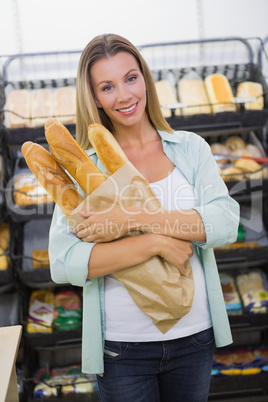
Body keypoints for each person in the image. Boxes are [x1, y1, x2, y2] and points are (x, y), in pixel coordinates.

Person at [49, 33, 240, 402]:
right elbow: (64, 262)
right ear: (94, 98)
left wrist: (133, 217)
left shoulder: (189, 148)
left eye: (131, 78)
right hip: (122, 349)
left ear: (145, 80)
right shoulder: (84, 166)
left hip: (195, 338)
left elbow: (224, 222)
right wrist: (153, 242)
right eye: (107, 86)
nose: (124, 96)